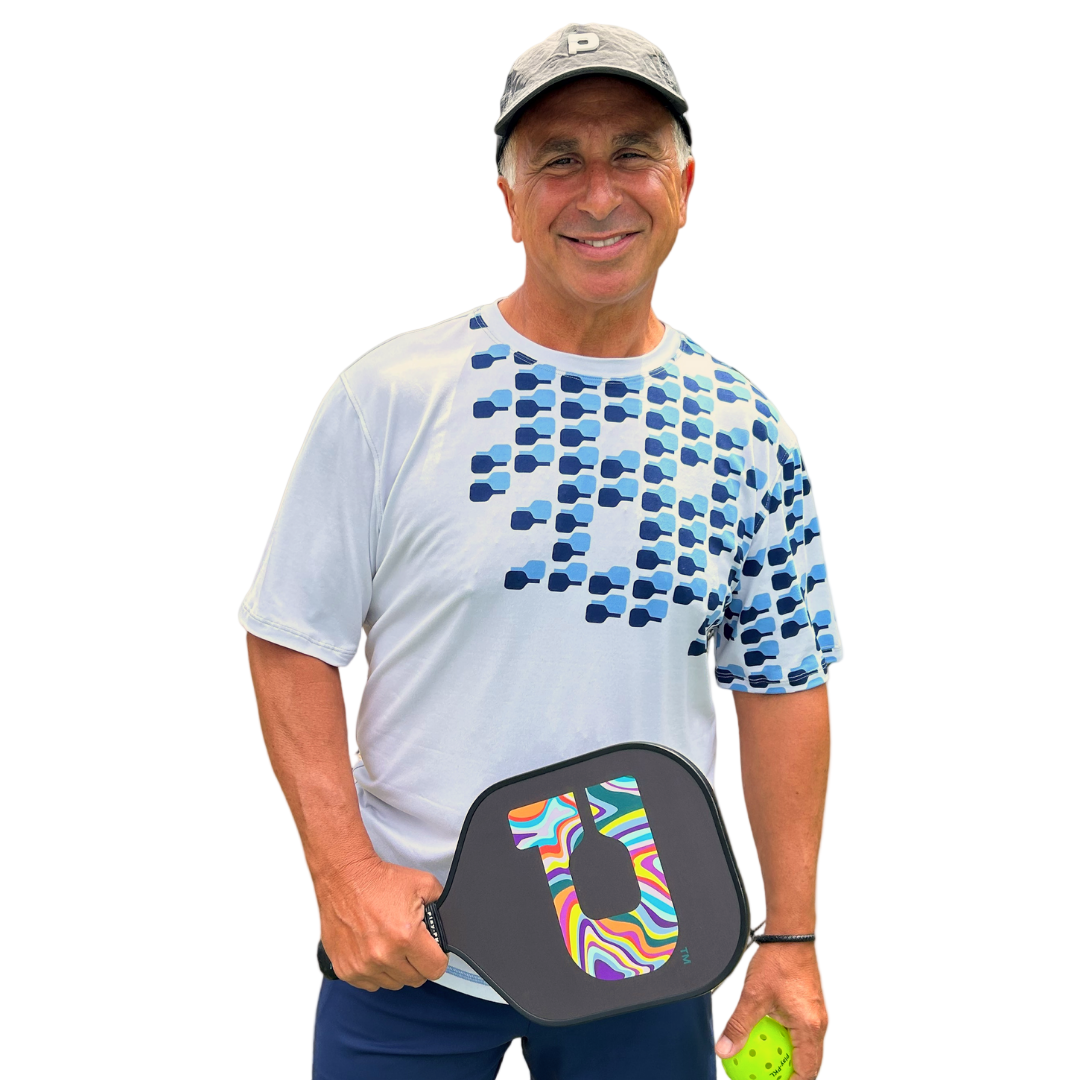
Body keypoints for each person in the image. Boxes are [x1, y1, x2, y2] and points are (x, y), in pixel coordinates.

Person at [241, 22, 841, 1080]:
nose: (598, 191)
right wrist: (342, 875)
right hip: (414, 948)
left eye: (633, 153)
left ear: (686, 185)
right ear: (510, 199)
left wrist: (789, 939)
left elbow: (784, 682)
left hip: (645, 948)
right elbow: (291, 637)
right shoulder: (392, 397)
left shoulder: (748, 433)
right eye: (559, 158)